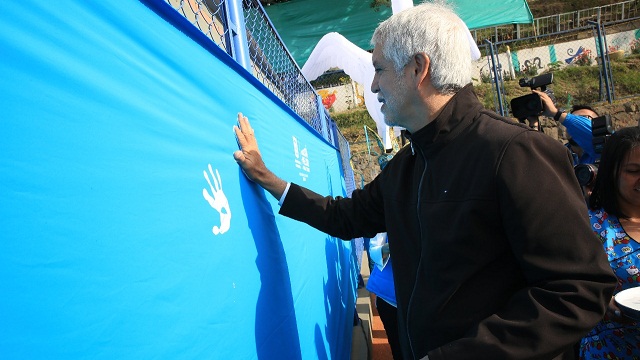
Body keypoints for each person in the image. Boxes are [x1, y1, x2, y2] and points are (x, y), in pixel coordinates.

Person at [232, 2, 616, 359]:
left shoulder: (515, 153)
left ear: (418, 68)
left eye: (379, 68)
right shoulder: (410, 164)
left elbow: (577, 291)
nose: (374, 85)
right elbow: (346, 217)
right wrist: (267, 178)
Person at [579, 126, 640, 359]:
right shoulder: (587, 226)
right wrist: (603, 305)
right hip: (611, 350)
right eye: (634, 170)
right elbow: (563, 287)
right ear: (611, 172)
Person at [534, 89, 600, 165]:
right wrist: (534, 125)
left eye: (583, 119)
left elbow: (595, 135)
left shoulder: (607, 149)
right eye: (573, 118)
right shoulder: (559, 154)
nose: (573, 126)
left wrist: (557, 113)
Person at [365, 232, 401, 360]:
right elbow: (374, 250)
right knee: (399, 349)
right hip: (390, 299)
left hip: (427, 298)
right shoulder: (389, 214)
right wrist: (392, 246)